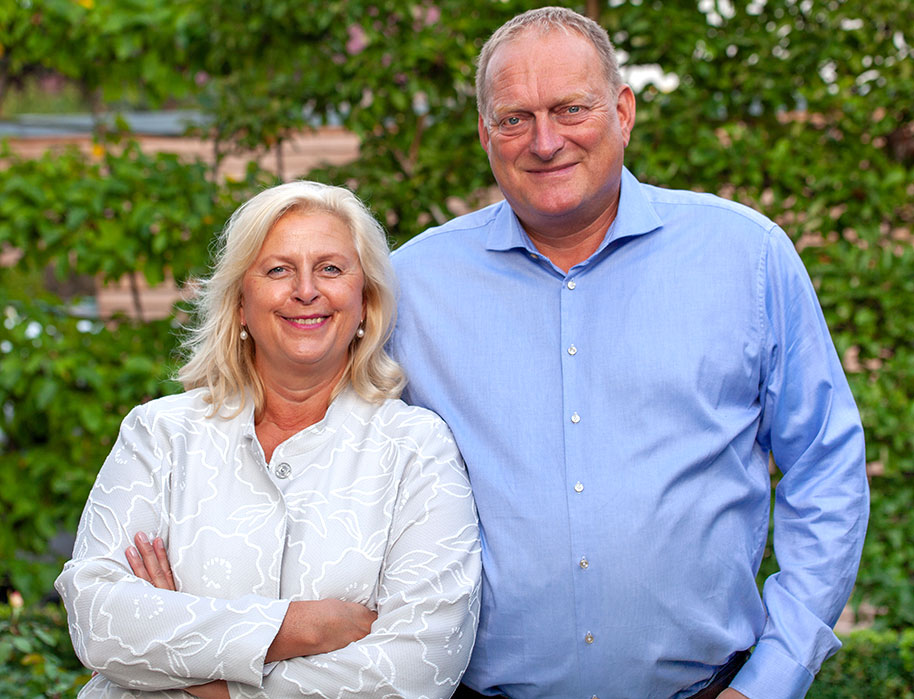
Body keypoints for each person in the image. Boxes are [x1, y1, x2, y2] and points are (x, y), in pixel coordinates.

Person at [390, 7, 868, 699]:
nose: (545, 140)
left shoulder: (747, 257)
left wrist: (773, 677)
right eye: (514, 117)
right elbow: (335, 458)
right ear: (485, 133)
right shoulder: (412, 285)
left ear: (623, 109)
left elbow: (826, 467)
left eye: (570, 109)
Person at [55, 181, 481, 698]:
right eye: (278, 270)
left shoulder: (416, 448)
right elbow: (99, 622)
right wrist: (303, 628)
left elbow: (417, 668)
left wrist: (200, 673)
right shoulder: (159, 435)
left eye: (330, 268)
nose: (306, 290)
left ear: (365, 301)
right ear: (239, 303)